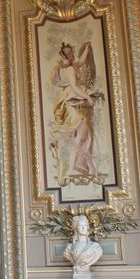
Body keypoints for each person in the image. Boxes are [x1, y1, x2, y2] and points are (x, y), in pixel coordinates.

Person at [49, 40, 104, 184]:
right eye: (72, 53)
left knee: (86, 135)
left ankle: (91, 167)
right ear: (71, 54)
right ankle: (72, 168)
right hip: (73, 104)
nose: (74, 56)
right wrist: (87, 97)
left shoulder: (66, 68)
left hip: (73, 102)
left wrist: (87, 49)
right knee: (82, 136)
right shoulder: (70, 70)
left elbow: (81, 61)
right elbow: (74, 87)